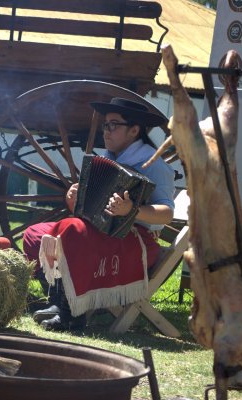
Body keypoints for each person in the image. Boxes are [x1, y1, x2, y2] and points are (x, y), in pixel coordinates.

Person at [23, 97, 175, 331]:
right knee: (36, 234)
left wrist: (131, 211)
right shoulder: (107, 159)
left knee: (72, 231)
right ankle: (60, 299)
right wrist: (74, 199)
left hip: (136, 241)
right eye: (106, 125)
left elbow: (166, 214)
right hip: (100, 235)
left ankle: (72, 315)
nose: (107, 131)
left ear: (134, 130)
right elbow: (91, 208)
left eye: (114, 125)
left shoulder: (153, 165)